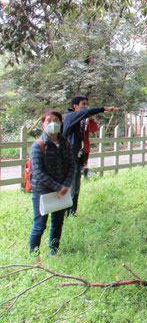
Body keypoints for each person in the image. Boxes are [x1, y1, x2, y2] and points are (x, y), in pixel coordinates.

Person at [62, 95, 119, 216]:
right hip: (69, 156)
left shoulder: (83, 120)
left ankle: (72, 210)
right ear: (75, 106)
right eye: (83, 105)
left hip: (79, 155)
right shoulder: (71, 117)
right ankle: (66, 211)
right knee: (70, 185)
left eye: (87, 105)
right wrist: (106, 109)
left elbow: (93, 130)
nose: (86, 107)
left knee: (76, 185)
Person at [29, 110, 76, 256]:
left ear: (61, 123)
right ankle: (34, 255)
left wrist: (66, 185)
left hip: (61, 191)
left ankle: (54, 252)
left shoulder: (65, 144)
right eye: (48, 121)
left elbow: (72, 165)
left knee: (57, 224)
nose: (52, 124)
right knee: (39, 225)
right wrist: (58, 187)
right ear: (43, 125)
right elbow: (37, 171)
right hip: (43, 191)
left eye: (55, 120)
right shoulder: (38, 145)